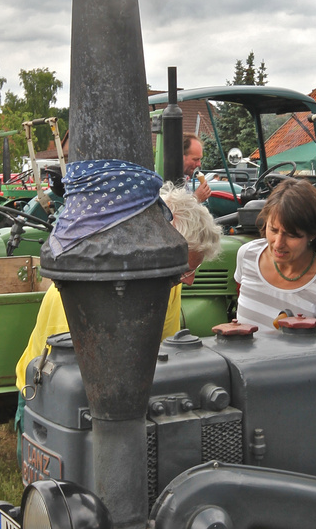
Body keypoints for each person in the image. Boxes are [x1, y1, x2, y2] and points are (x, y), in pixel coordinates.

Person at [15, 183, 222, 458]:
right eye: (187, 269)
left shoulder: (168, 280)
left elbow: (165, 353)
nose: (191, 280)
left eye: (193, 269)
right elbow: (75, 382)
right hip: (52, 392)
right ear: (157, 250)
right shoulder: (88, 291)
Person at [234, 178, 316, 330]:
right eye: (273, 230)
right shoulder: (247, 256)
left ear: (313, 234)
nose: (278, 243)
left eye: (291, 235)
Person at [183, 134, 211, 203]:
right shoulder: (163, 183)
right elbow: (174, 212)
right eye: (196, 159)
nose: (199, 164)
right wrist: (196, 198)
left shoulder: (183, 179)